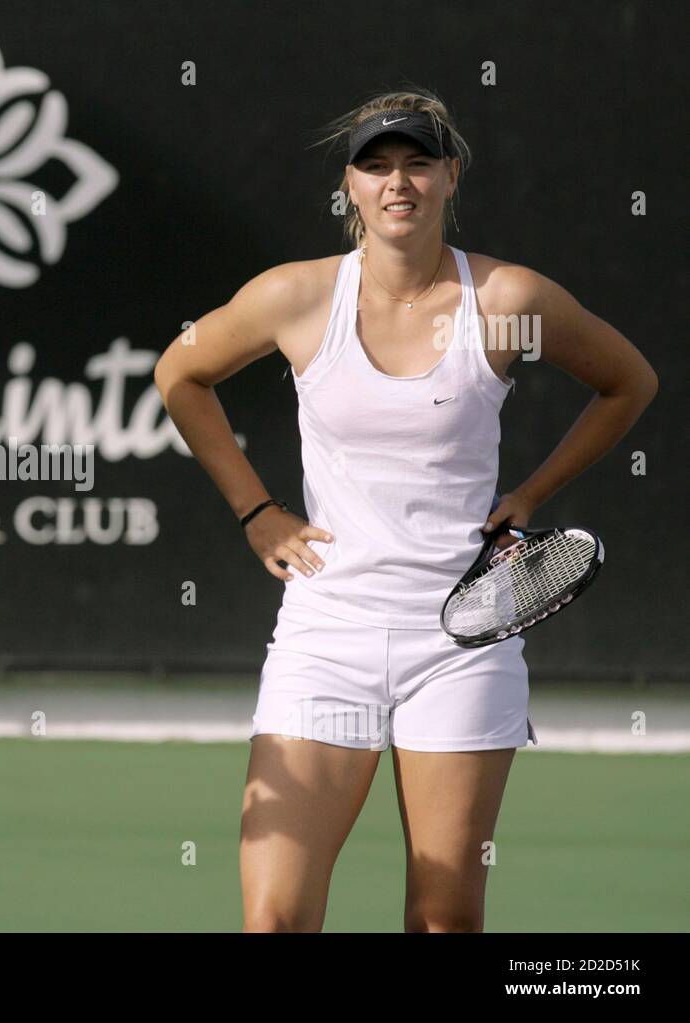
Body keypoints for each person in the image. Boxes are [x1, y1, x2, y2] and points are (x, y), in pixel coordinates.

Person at [153, 89, 657, 932]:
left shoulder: (507, 301)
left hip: (462, 645)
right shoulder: (294, 298)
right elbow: (181, 373)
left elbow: (627, 381)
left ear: (450, 176)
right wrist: (257, 510)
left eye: (419, 162)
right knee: (275, 917)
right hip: (326, 635)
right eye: (377, 166)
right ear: (349, 185)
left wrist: (532, 493)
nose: (399, 183)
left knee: (444, 918)